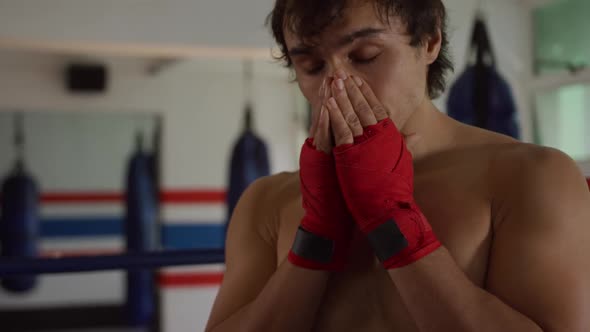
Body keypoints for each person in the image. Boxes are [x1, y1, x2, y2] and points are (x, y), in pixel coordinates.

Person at [206, 1, 590, 331]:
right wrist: (317, 238)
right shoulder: (267, 201)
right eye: (311, 65)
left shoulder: (531, 177)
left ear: (429, 41)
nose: (337, 83)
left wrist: (391, 221)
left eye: (365, 55)